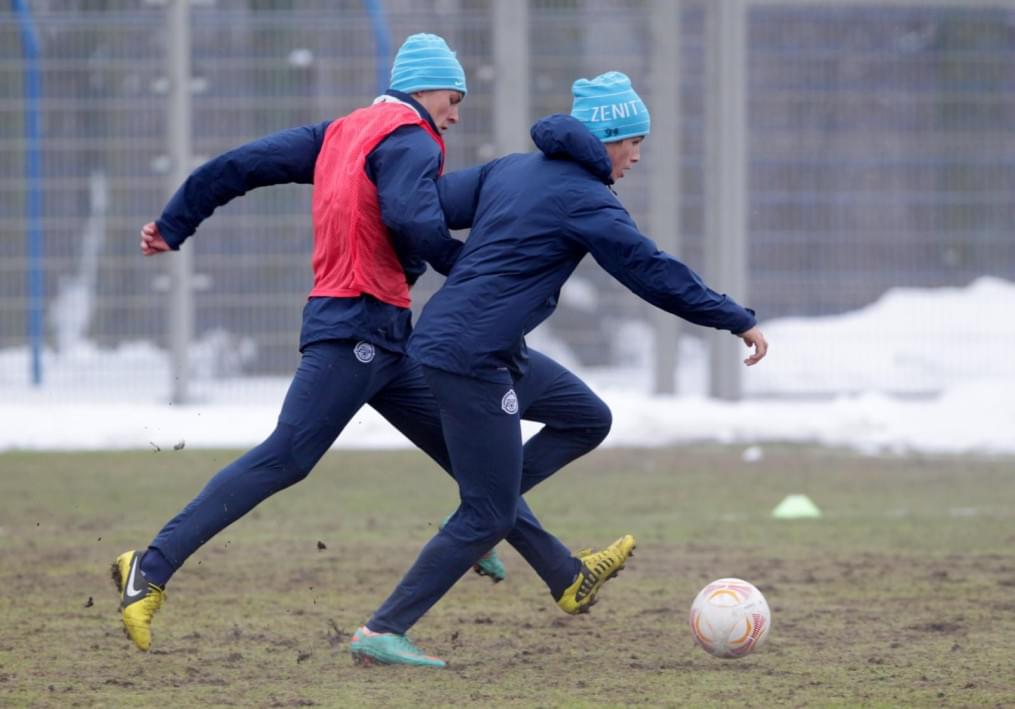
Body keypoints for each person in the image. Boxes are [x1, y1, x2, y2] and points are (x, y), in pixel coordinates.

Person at [113, 35, 631, 664]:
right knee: (287, 456)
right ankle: (151, 565)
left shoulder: (339, 133)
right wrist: (469, 271)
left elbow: (237, 165)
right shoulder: (410, 137)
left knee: (479, 470)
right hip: (356, 327)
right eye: (452, 98)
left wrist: (175, 222)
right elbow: (413, 217)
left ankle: (565, 575)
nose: (456, 114)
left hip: (387, 338)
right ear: (423, 89)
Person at [350, 71, 768, 667]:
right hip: (468, 358)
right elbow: (653, 272)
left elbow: (426, 205)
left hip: (482, 347)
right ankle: (382, 630)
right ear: (607, 138)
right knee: (489, 513)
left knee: (584, 416)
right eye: (633, 142)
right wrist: (733, 317)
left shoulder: (511, 169)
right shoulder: (587, 200)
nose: (637, 156)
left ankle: (478, 512)